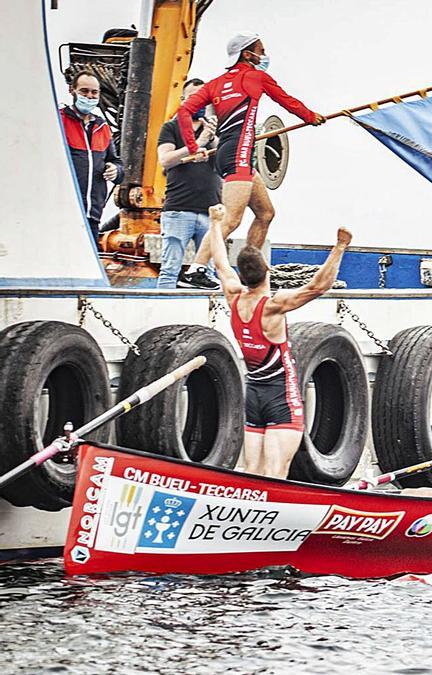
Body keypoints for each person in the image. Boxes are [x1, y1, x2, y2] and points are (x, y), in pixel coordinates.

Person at [207, 205, 349, 478]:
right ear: (269, 270)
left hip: (253, 395)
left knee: (252, 471)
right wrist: (340, 247)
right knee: (275, 472)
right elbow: (318, 287)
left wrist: (216, 223)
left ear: (243, 275)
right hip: (280, 397)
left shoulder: (233, 297)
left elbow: (220, 264)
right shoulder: (272, 307)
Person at [177, 32, 325, 254]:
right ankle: (196, 269)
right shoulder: (256, 77)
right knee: (230, 221)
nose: (264, 55)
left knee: (265, 213)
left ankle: (249, 266)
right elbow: (287, 101)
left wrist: (193, 146)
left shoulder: (215, 84)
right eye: (261, 51)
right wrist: (311, 117)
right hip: (239, 155)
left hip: (228, 153)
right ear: (248, 54)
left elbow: (183, 110)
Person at [156, 78, 221, 289]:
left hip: (210, 211)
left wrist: (211, 139)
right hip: (179, 209)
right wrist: (195, 146)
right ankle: (161, 315)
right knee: (170, 268)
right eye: (193, 98)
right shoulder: (171, 127)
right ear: (183, 100)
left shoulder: (215, 129)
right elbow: (165, 159)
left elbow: (226, 161)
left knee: (207, 273)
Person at [60, 70, 123, 241]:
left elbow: (116, 162)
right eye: (84, 91)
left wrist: (115, 170)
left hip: (92, 214)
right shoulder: (59, 121)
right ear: (72, 90)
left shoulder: (102, 127)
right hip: (64, 213)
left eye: (94, 92)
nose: (89, 96)